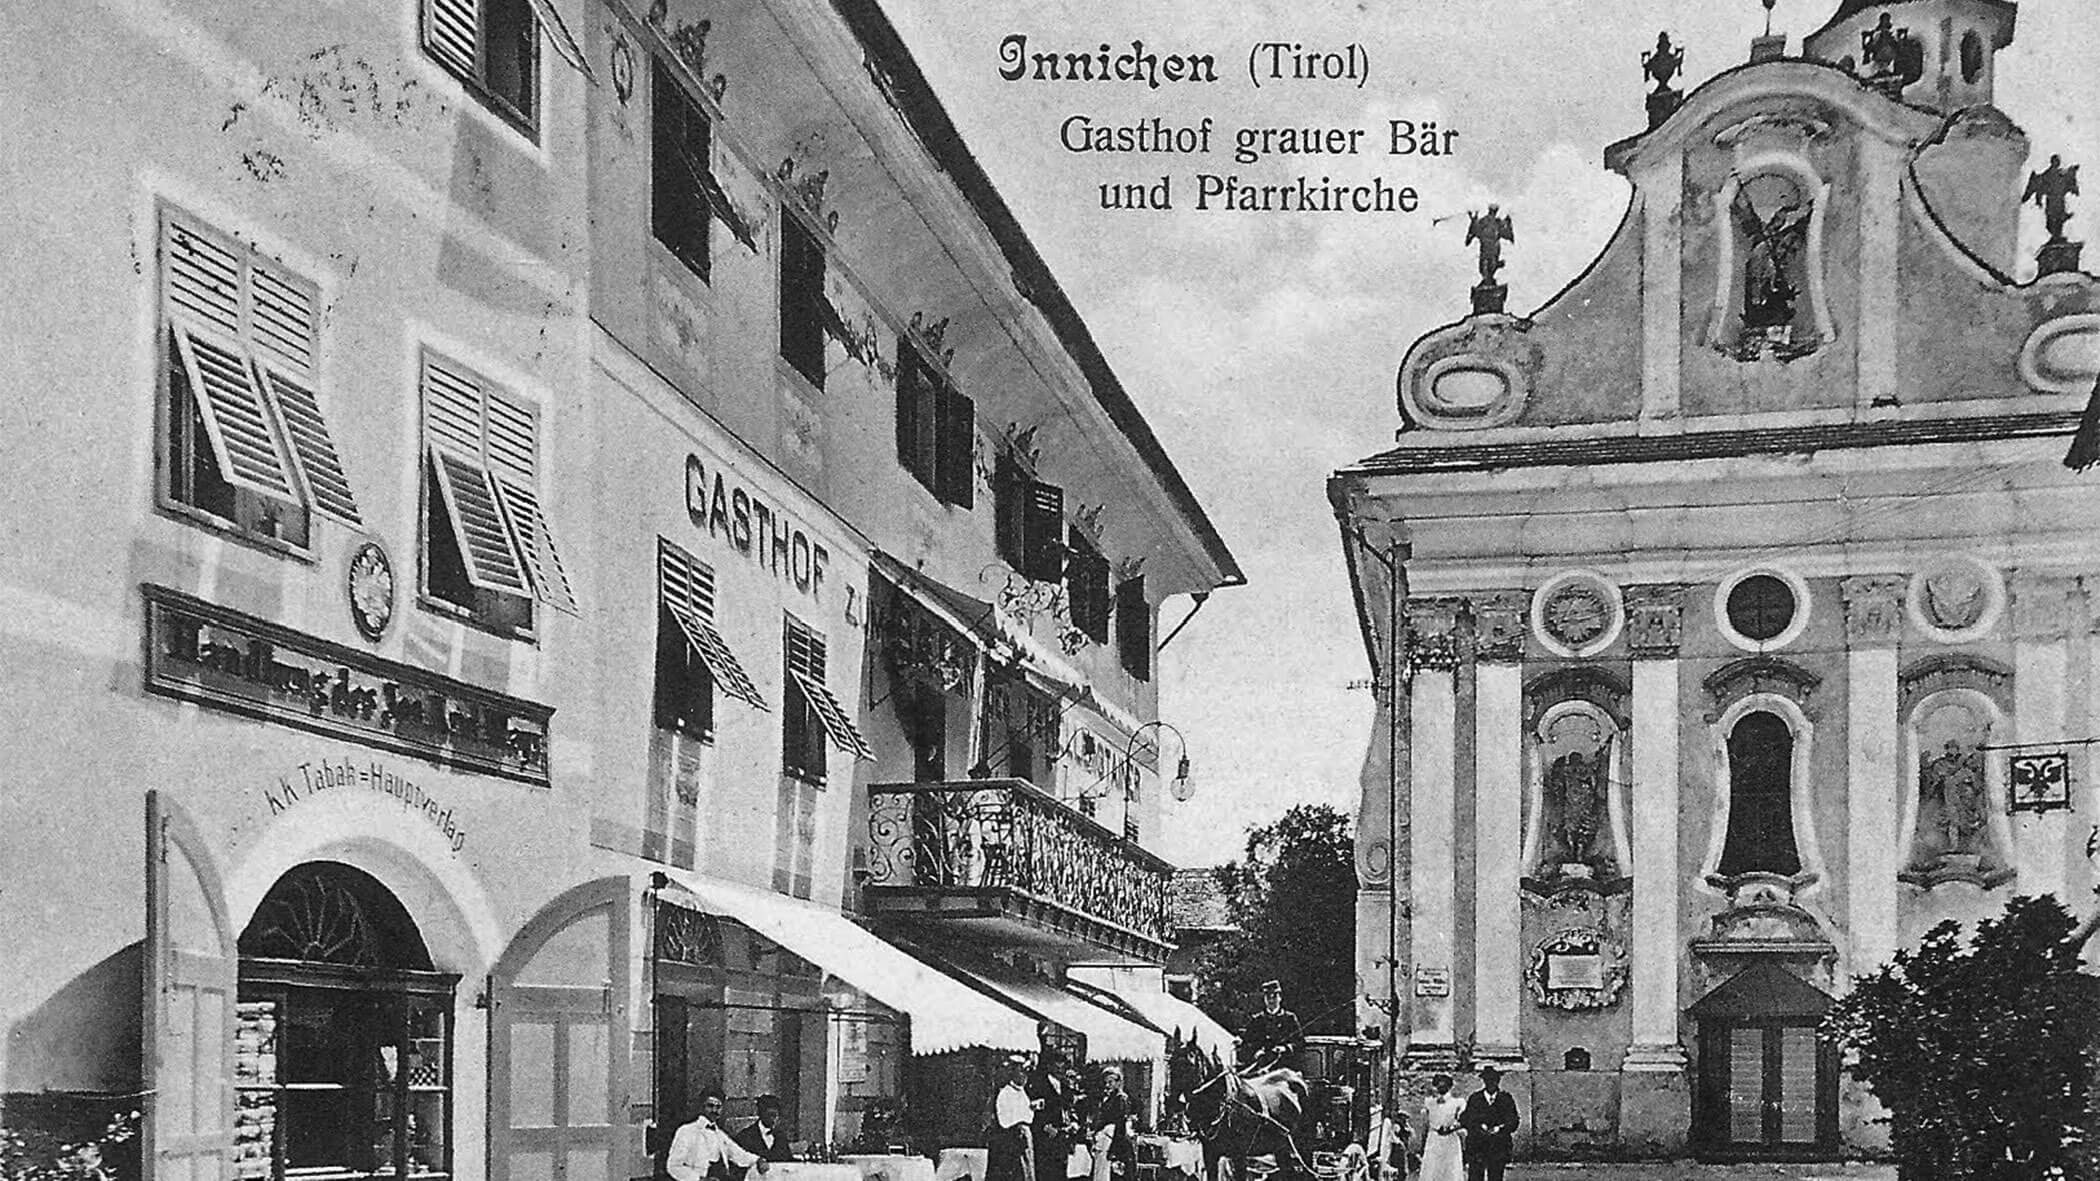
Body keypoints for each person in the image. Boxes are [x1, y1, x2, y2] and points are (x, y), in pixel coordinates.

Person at [666, 1090, 770, 1181]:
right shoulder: (686, 1131)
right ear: (702, 1107)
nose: (714, 1110)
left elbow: (739, 1154)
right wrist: (698, 1179)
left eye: (718, 1107)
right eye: (710, 1106)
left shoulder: (720, 1135)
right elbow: (673, 1166)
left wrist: (758, 1160)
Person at [1457, 1068, 1518, 1181]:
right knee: (1475, 1175)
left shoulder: (1506, 1098)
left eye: (1494, 1080)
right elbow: (1465, 1119)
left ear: (1498, 1081)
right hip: (1478, 1145)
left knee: (1496, 1175)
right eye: (1488, 1080)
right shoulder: (1475, 1098)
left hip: (1498, 1144)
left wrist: (1500, 1128)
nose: (1491, 1083)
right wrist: (1479, 1126)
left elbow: (1513, 1120)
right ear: (1484, 1082)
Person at [986, 1056, 1039, 1181]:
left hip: (1024, 1138)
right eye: (1021, 1072)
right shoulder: (1005, 1093)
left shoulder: (1023, 1093)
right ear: (1013, 1073)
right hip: (1012, 1140)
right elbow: (1004, 1119)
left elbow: (1026, 1114)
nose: (1024, 1076)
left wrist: (1031, 1108)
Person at [1238, 980, 1304, 1069]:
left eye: (1274, 997)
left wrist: (1285, 1048)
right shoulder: (1257, 1020)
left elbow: (1299, 1042)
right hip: (1261, 1067)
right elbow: (1247, 1043)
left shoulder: (1289, 1018)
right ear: (1264, 999)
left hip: (1285, 1066)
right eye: (1268, 997)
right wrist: (1256, 1052)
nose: (1271, 1000)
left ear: (1280, 998)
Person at [1029, 1050, 1072, 1181]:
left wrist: (1072, 1123)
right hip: (1044, 1138)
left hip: (1061, 1137)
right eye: (1057, 1067)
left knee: (1060, 1173)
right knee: (1045, 1172)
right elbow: (1031, 1109)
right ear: (1050, 1066)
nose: (1060, 1070)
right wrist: (1044, 1126)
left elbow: (1069, 1108)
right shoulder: (1038, 1084)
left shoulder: (1065, 1087)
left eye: (1063, 1067)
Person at [1414, 1077, 1464, 1181]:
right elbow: (1425, 1125)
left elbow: (1462, 1121)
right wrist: (1422, 1146)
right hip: (1434, 1139)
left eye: (1444, 1084)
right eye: (1438, 1085)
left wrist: (1451, 1127)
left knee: (1450, 1170)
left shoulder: (1457, 1102)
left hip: (1450, 1139)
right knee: (1432, 1169)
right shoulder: (1429, 1102)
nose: (1441, 1087)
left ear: (1450, 1086)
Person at [1089, 1067, 1134, 1181]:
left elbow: (1120, 1125)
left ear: (1118, 1083)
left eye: (1110, 1082)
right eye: (1105, 1082)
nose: (1107, 1085)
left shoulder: (1121, 1099)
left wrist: (1114, 1150)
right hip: (1104, 1141)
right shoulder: (1107, 1098)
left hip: (1115, 1141)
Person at [733, 1095, 797, 1165]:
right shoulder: (745, 1137)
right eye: (770, 1115)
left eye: (775, 1116)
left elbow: (789, 1161)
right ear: (760, 1113)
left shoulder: (781, 1137)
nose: (773, 1120)